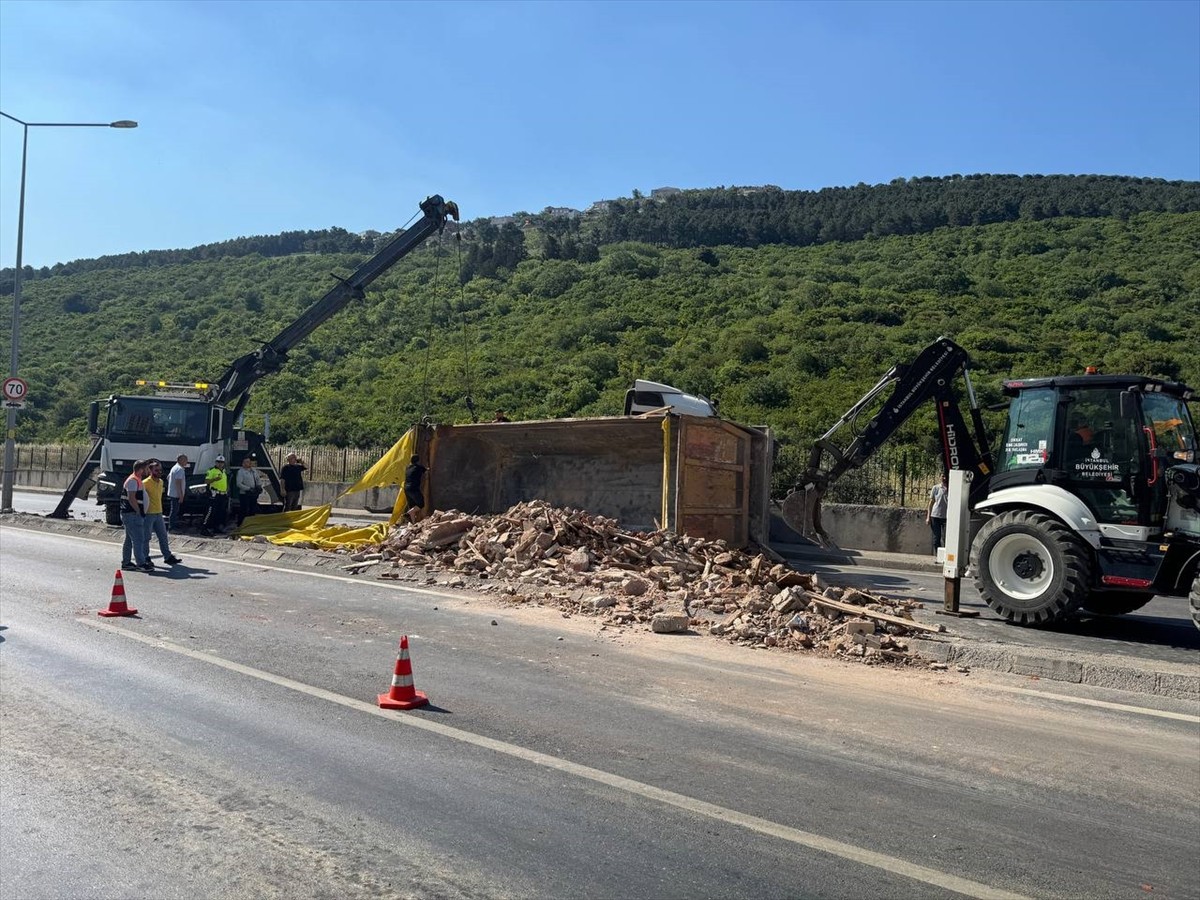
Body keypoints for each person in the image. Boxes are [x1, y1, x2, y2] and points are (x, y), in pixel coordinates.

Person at [142, 460, 181, 565]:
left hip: (159, 513)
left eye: (160, 470)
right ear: (150, 471)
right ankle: (145, 557)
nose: (159, 472)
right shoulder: (145, 483)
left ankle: (167, 556)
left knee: (163, 536)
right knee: (146, 537)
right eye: (156, 470)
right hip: (148, 514)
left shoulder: (161, 482)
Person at [120, 459, 153, 572]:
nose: (147, 471)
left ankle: (126, 562)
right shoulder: (133, 480)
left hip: (131, 514)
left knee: (129, 540)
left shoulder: (136, 479)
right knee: (138, 539)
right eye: (146, 468)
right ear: (141, 469)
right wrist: (138, 511)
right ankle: (141, 563)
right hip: (132, 514)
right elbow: (131, 497)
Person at [201, 455, 229, 536]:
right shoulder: (211, 471)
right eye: (218, 462)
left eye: (222, 462)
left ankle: (216, 527)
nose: (220, 464)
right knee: (210, 512)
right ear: (216, 462)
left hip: (222, 494)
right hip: (214, 494)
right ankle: (204, 528)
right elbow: (206, 481)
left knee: (219, 512)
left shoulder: (223, 471)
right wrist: (214, 479)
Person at [234, 455, 262, 526]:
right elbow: (239, 484)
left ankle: (251, 524)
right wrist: (248, 488)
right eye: (246, 462)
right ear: (243, 463)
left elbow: (258, 479)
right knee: (244, 510)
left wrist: (259, 486)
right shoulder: (241, 472)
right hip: (244, 494)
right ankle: (241, 524)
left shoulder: (254, 471)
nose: (249, 463)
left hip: (253, 494)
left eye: (249, 462)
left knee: (253, 509)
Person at [926, 472, 949, 555]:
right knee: (936, 538)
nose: (944, 478)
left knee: (946, 538)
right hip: (935, 516)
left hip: (946, 517)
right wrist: (928, 517)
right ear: (940, 477)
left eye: (945, 476)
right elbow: (931, 503)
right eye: (942, 476)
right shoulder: (936, 488)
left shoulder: (950, 488)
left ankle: (947, 556)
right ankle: (938, 556)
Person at [166, 453, 189, 531]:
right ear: (181, 460)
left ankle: (173, 525)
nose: (187, 462)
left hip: (172, 492)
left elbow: (168, 477)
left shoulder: (174, 467)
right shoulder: (179, 469)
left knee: (174, 510)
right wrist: (181, 495)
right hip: (176, 494)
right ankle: (172, 527)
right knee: (174, 511)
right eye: (185, 460)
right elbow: (178, 482)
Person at [403, 454, 427, 524]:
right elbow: (427, 471)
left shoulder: (408, 468)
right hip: (413, 488)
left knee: (412, 507)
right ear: (418, 461)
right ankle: (407, 514)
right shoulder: (419, 467)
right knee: (421, 504)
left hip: (406, 488)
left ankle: (413, 523)